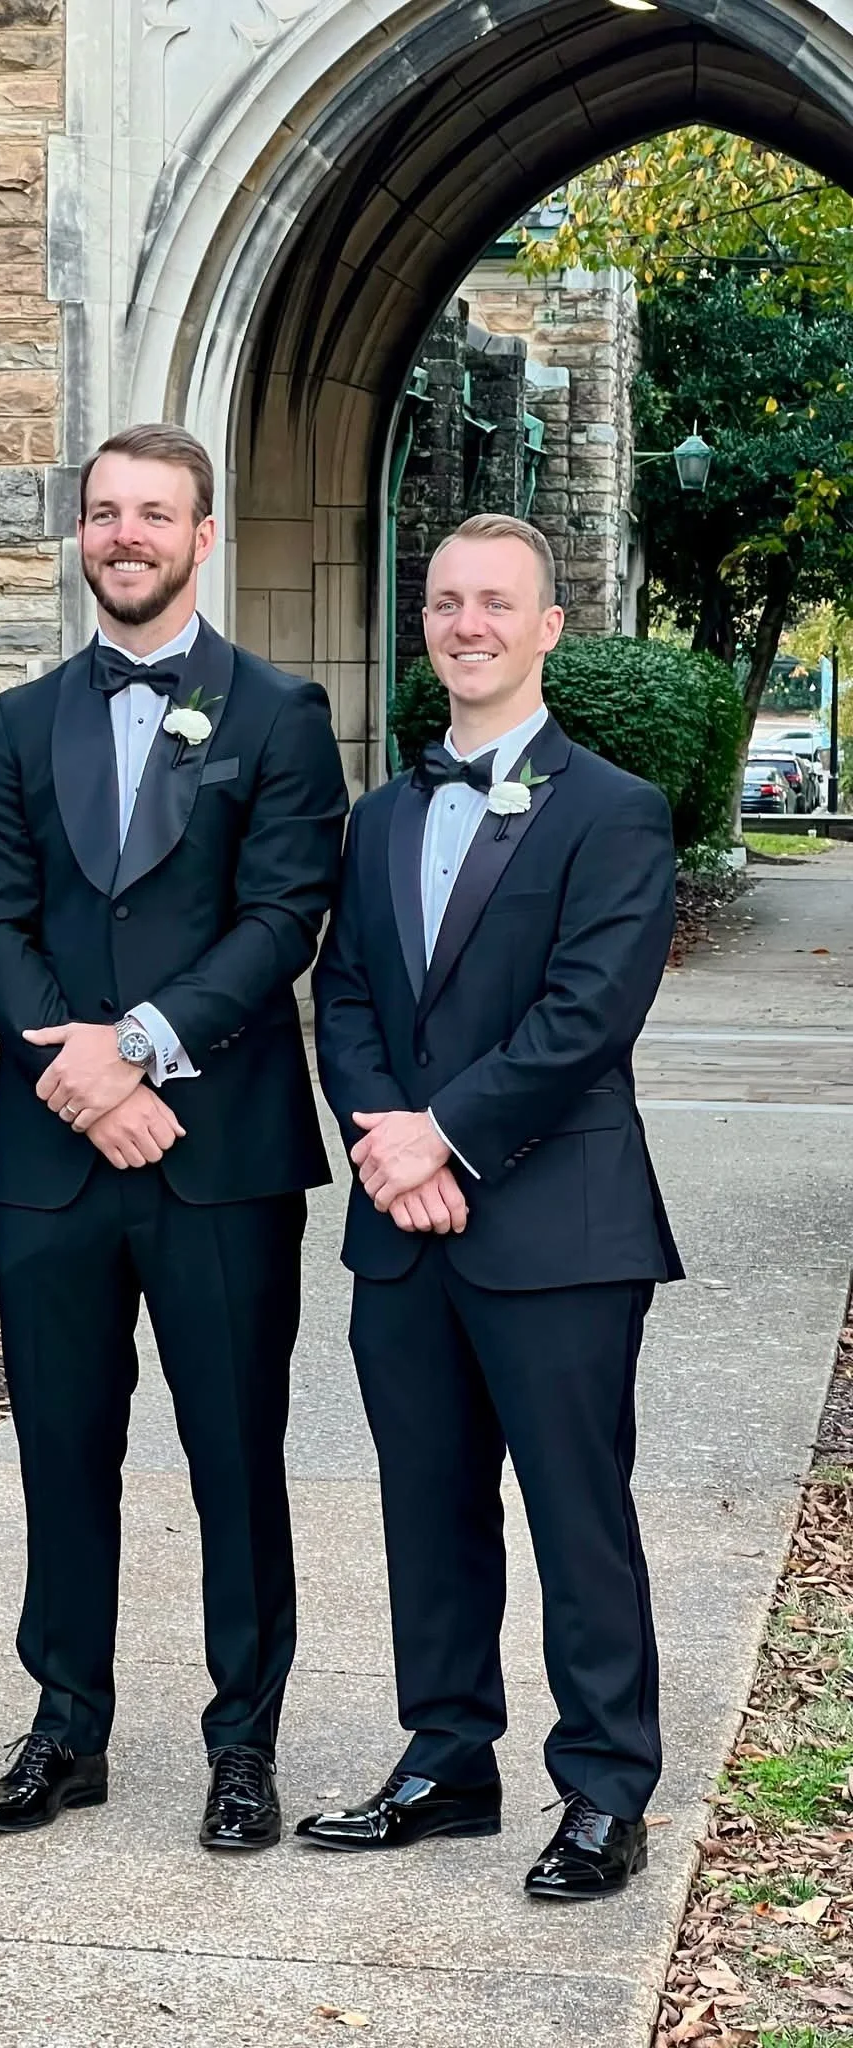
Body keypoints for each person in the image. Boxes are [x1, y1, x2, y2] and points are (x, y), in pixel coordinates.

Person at [0, 424, 349, 1851]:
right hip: (56, 1162)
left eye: (155, 514)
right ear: (83, 535)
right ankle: (66, 1727)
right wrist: (78, 1077)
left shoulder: (280, 715)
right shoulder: (15, 723)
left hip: (224, 1153)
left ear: (204, 537)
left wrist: (134, 1053)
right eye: (106, 513)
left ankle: (242, 1741)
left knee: (235, 1454)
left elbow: (279, 917)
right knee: (62, 1449)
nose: (127, 535)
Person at [301, 513, 683, 1899]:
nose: (467, 624)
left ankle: (602, 1790)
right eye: (447, 602)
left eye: (495, 604)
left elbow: (587, 1016)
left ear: (548, 629)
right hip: (403, 1232)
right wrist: (388, 1150)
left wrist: (444, 1141)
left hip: (559, 1227)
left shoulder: (616, 810)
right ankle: (447, 1761)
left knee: (579, 1514)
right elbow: (344, 997)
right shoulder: (383, 812)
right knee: (428, 1505)